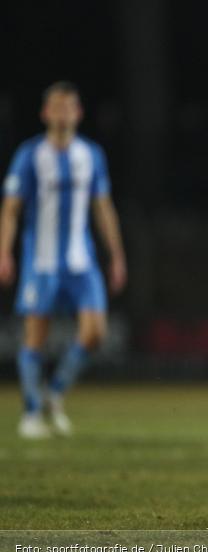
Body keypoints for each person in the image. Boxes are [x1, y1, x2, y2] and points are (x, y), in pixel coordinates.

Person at [0, 82, 127, 439]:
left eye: (68, 106)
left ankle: (53, 394)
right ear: (44, 114)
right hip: (40, 260)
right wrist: (4, 251)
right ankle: (30, 414)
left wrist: (116, 256)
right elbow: (11, 210)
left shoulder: (91, 155)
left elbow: (103, 207)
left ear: (78, 113)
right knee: (34, 337)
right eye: (55, 107)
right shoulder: (29, 155)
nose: (61, 113)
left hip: (81, 259)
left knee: (95, 332)